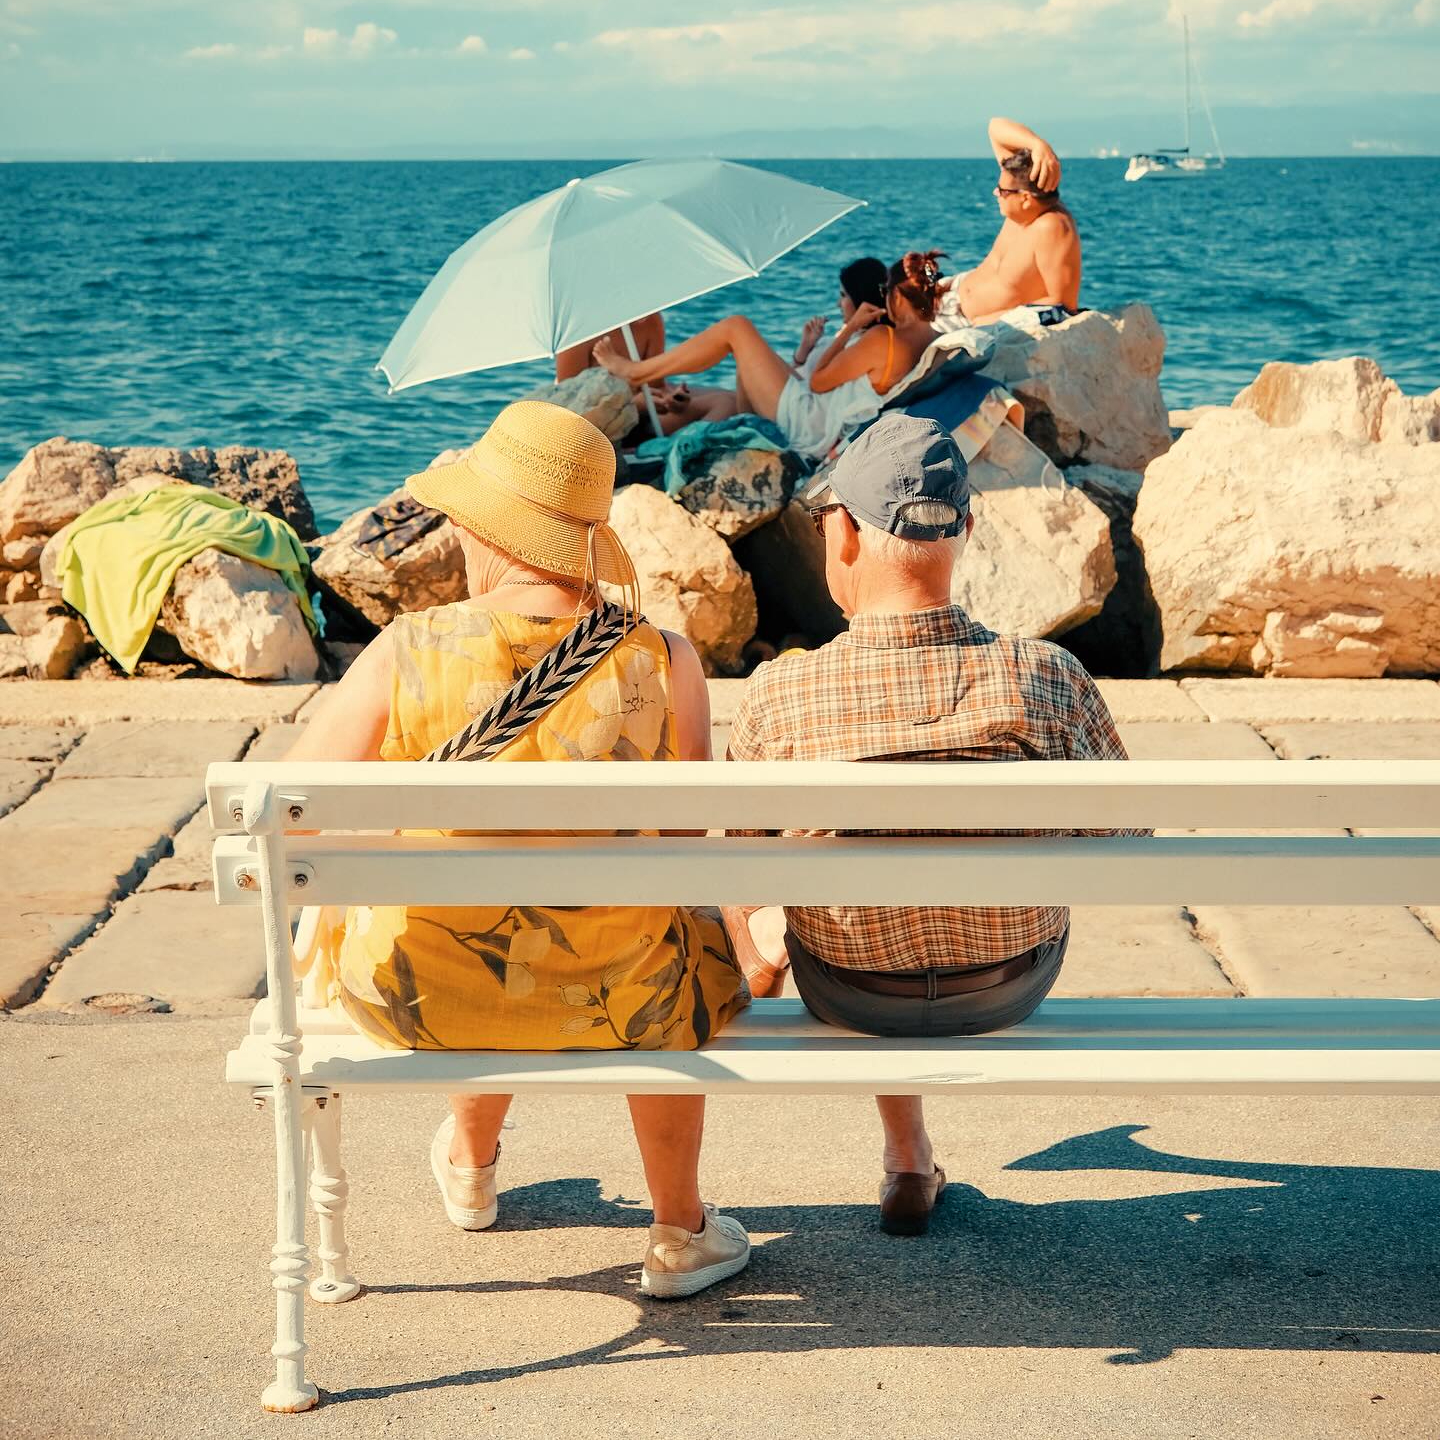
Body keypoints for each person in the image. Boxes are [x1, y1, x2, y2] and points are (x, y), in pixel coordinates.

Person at [283, 400, 752, 1298]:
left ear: (490, 529)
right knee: (657, 931)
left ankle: (469, 1158)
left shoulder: (407, 651)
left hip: (421, 991)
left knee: (473, 924)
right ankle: (680, 1227)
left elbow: (285, 810)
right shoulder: (665, 658)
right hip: (624, 994)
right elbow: (691, 849)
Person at [724, 411, 1133, 1237]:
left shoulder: (781, 694)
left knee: (786, 888)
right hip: (1009, 976)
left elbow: (730, 867)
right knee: (917, 886)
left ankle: (906, 1148)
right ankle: (908, 1156)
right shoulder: (1047, 676)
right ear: (966, 531)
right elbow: (1126, 845)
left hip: (848, 986)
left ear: (843, 536)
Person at [595, 252, 943, 462]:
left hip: (811, 426)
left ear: (896, 296)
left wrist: (849, 329)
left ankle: (637, 372)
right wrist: (810, 350)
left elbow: (820, 382)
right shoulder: (922, 339)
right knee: (747, 356)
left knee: (737, 327)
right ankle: (738, 426)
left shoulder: (882, 337)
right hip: (818, 418)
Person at [939, 117, 1082, 323]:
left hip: (965, 321)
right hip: (950, 292)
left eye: (1002, 191)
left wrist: (986, 321)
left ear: (1025, 198)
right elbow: (994, 127)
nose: (995, 192)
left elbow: (1063, 305)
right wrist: (1038, 145)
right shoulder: (1019, 209)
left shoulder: (1052, 227)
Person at [556, 313, 736, 436]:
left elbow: (655, 385)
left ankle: (690, 444)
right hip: (607, 428)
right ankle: (685, 447)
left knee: (731, 400)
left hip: (647, 416)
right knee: (725, 402)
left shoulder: (650, 322)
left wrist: (669, 399)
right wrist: (635, 404)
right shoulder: (578, 335)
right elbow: (568, 408)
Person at [790, 256, 889, 378]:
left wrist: (850, 328)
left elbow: (812, 384)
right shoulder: (853, 338)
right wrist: (805, 346)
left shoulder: (857, 347)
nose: (838, 304)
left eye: (843, 295)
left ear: (860, 298)